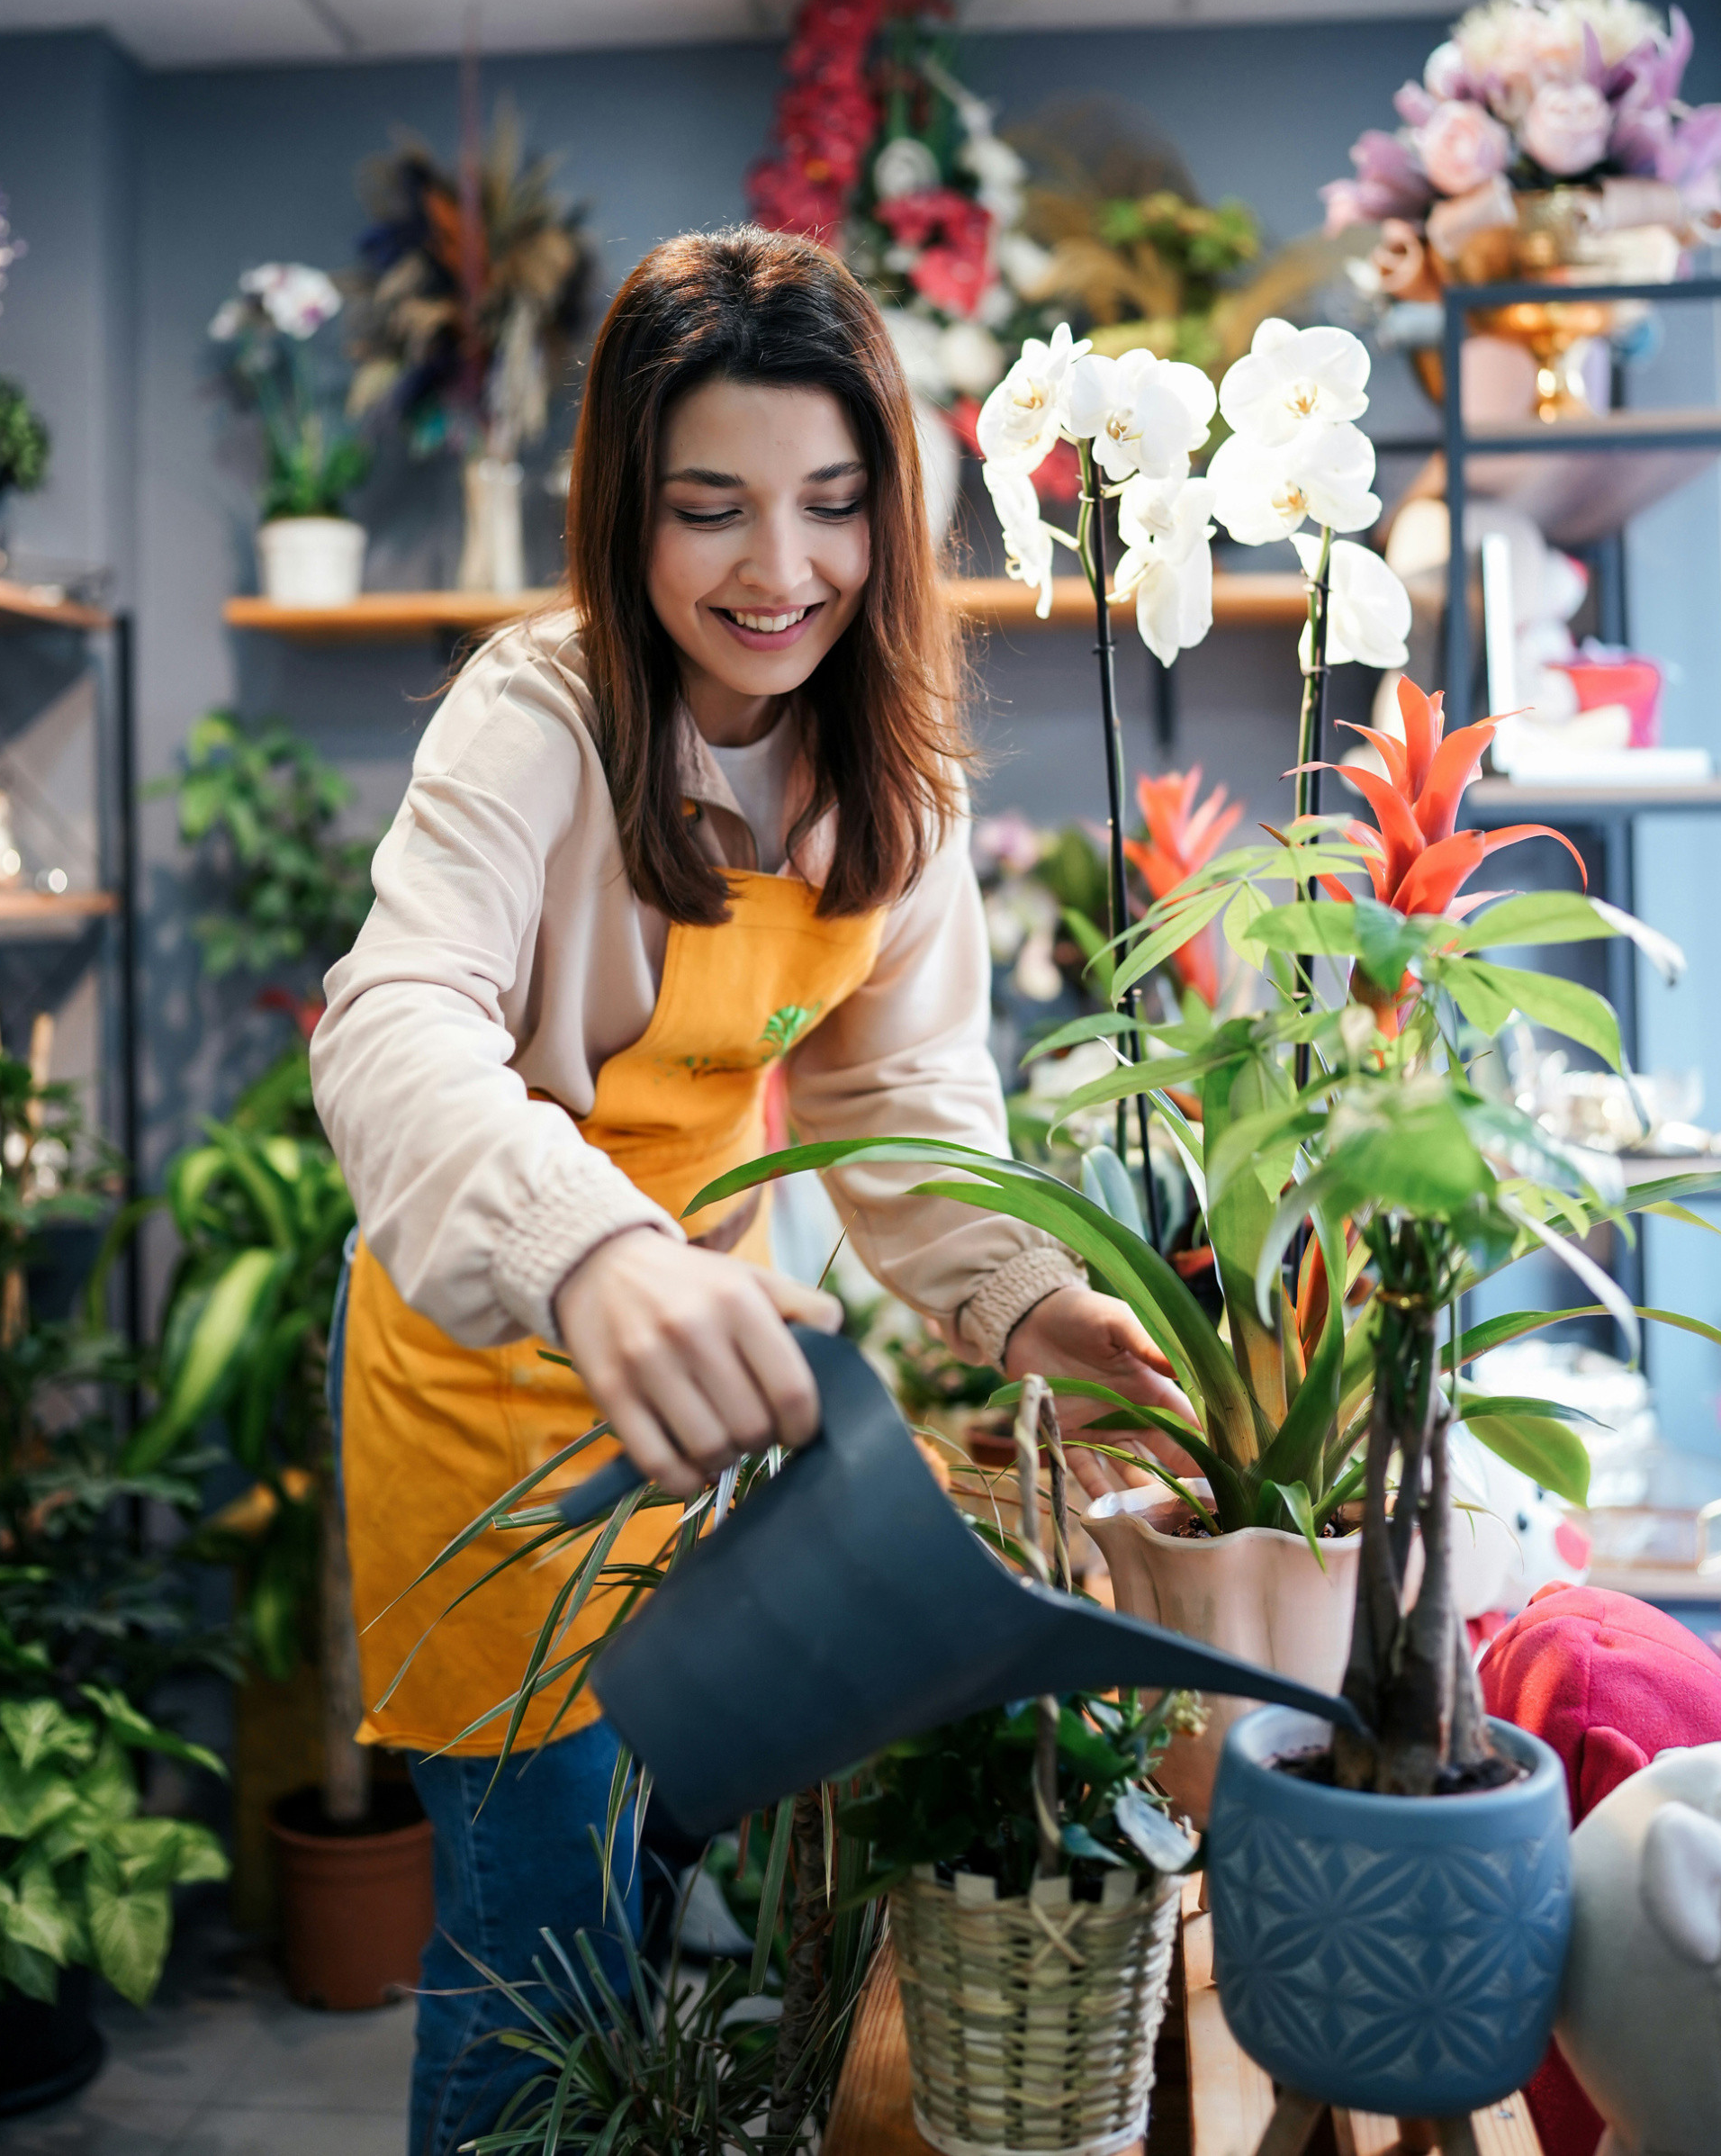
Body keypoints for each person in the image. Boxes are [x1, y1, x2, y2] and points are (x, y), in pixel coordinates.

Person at [310, 224, 1192, 2156]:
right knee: (535, 1941)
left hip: (701, 1397)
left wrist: (1026, 1300)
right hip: (492, 1390)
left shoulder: (892, 772)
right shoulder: (536, 714)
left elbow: (896, 1099)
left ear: (891, 510)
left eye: (829, 505)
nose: (775, 572)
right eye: (709, 508)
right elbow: (392, 1024)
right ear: (626, 513)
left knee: (636, 1887)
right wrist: (592, 1252)